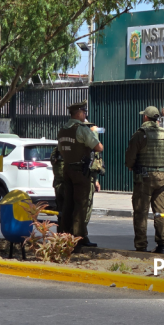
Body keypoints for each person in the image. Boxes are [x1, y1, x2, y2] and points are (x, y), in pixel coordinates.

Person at [125, 106, 164, 253]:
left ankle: (141, 246)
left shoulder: (140, 134)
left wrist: (131, 165)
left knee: (141, 212)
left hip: (144, 178)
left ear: (146, 117)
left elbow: (130, 158)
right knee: (160, 212)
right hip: (160, 177)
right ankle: (162, 245)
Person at [57, 100, 103, 249]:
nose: (85, 115)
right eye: (84, 112)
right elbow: (99, 147)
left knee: (68, 204)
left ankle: (65, 236)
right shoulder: (81, 129)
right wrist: (94, 133)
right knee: (81, 205)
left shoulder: (63, 130)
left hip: (67, 170)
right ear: (78, 113)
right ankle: (78, 238)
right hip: (80, 172)